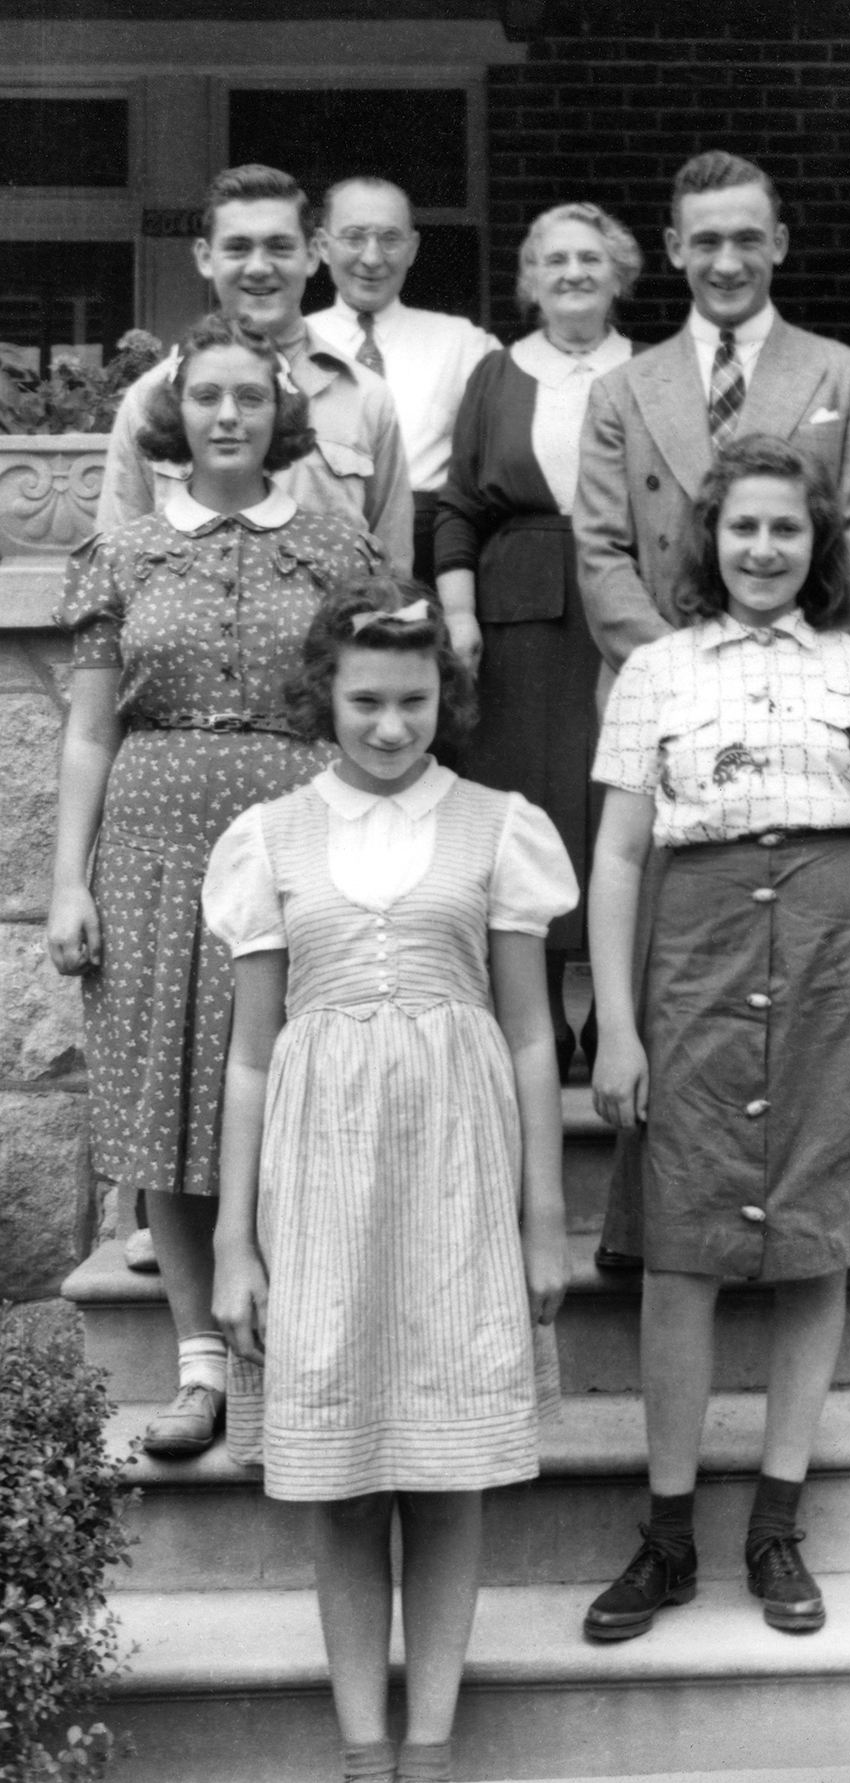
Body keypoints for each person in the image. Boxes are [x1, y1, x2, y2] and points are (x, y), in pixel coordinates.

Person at [202, 577, 575, 1782]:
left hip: (458, 1180)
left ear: (442, 700)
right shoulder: (268, 839)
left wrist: (543, 1215)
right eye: (364, 701)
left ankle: (431, 1747)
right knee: (345, 1482)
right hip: (320, 1187)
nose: (387, 727)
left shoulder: (498, 825)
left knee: (449, 1477)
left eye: (412, 702)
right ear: (326, 696)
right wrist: (231, 1243)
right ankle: (363, 1747)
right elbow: (253, 1055)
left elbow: (528, 1035)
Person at [582, 434, 850, 1644]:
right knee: (681, 1250)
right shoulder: (656, 673)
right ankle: (669, 1532)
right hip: (694, 961)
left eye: (786, 528)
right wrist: (617, 1030)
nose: (763, 548)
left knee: (817, 1248)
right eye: (742, 526)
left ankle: (776, 1521)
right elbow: (621, 853)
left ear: (817, 543)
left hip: (844, 967)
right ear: (709, 538)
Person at [47, 314, 381, 1459]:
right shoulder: (126, 552)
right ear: (172, 416)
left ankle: (295, 1352)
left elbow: (373, 708)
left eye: (248, 397)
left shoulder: (339, 553)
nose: (227, 416)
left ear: (281, 415)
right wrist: (67, 884)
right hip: (155, 847)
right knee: (173, 1090)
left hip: (303, 834)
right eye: (205, 399)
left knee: (298, 1088)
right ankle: (200, 1369)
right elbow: (90, 732)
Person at [574, 149, 850, 1265]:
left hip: (801, 710)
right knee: (685, 993)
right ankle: (664, 1227)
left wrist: (778, 667)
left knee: (797, 1008)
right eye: (702, 239)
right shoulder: (623, 390)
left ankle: (810, 1230)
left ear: (779, 244)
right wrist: (693, 669)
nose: (724, 259)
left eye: (744, 237)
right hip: (666, 715)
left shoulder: (843, 376)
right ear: (671, 250)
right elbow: (603, 550)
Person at [435, 201, 642, 1078]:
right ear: (531, 279)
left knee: (618, 805)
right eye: (553, 260)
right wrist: (458, 612)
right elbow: (457, 507)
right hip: (515, 620)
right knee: (533, 809)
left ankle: (616, 1015)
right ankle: (543, 1016)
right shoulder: (496, 373)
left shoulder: (654, 370)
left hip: (626, 610)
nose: (572, 274)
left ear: (619, 273)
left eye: (590, 259)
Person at [97, 163, 413, 576]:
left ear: (314, 254)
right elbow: (113, 562)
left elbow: (392, 571)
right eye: (238, 247)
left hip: (327, 637)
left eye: (280, 247)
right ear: (206, 258)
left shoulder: (365, 397)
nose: (260, 267)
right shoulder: (152, 398)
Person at [307, 176, 500, 583]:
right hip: (313, 548)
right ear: (323, 246)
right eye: (354, 237)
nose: (373, 258)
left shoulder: (464, 344)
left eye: (390, 239)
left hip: (430, 554)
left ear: (412, 249)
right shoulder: (294, 343)